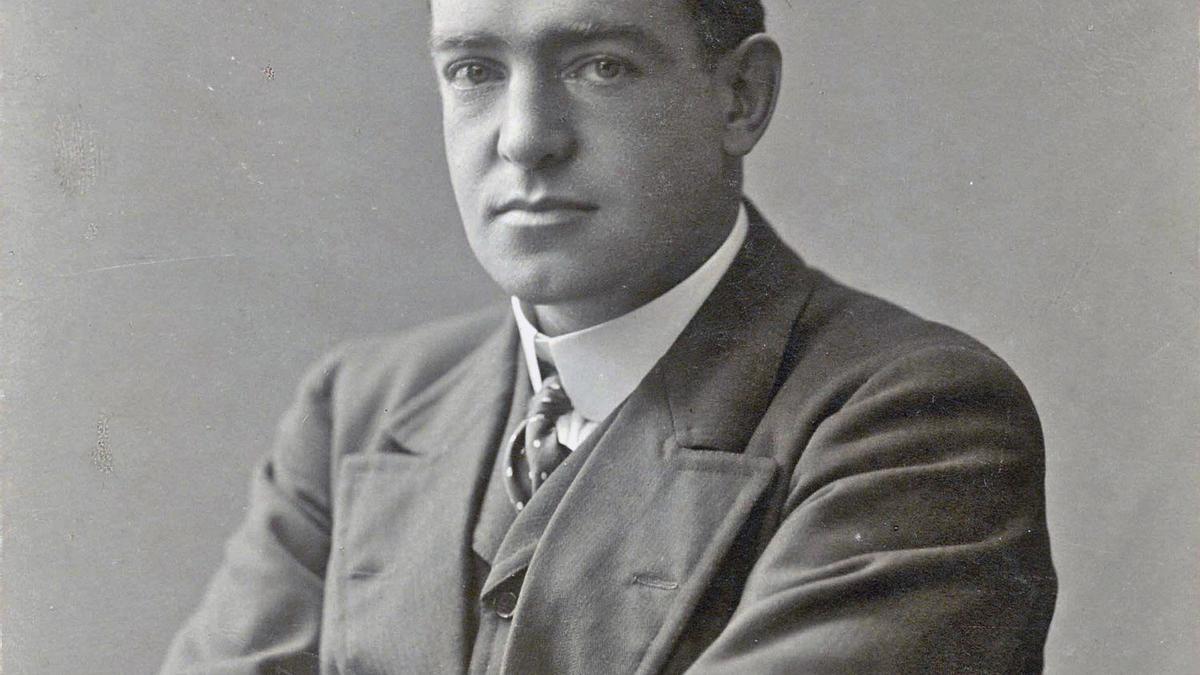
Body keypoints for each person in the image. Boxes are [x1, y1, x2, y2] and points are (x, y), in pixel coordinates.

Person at [162, 0, 1056, 672]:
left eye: (600, 67)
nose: (525, 139)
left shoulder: (914, 419)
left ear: (740, 98)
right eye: (474, 70)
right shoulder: (356, 410)